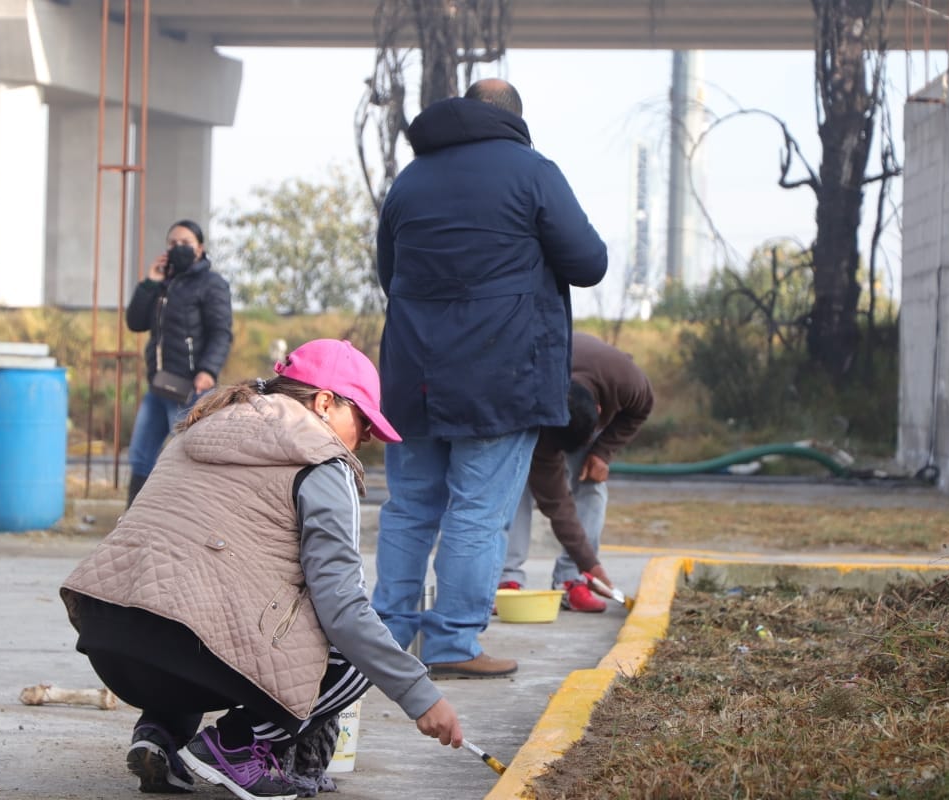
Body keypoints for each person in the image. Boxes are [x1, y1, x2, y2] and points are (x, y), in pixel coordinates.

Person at [60, 339, 463, 800]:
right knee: (352, 655)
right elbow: (343, 608)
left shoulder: (197, 427)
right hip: (186, 646)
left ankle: (162, 733)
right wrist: (420, 695)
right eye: (364, 418)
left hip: (109, 634)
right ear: (325, 403)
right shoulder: (322, 462)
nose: (368, 435)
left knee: (192, 599)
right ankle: (236, 746)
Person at [371, 78, 608, 679]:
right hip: (499, 376)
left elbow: (389, 272)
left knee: (408, 509)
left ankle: (386, 637)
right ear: (514, 119)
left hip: (412, 374)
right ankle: (451, 642)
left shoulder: (411, 178)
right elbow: (589, 263)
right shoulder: (532, 172)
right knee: (478, 512)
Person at [498, 332, 655, 612]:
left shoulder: (626, 379)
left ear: (600, 409)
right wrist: (591, 561)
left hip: (586, 399)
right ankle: (506, 580)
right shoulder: (539, 401)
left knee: (593, 485)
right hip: (531, 404)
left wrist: (601, 451)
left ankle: (573, 580)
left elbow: (641, 410)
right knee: (517, 481)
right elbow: (558, 505)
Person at [124, 218, 233, 506]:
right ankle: (134, 523)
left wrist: (208, 370)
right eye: (173, 243)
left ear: (200, 248)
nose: (179, 248)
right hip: (159, 385)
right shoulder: (163, 285)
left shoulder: (212, 284)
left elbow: (221, 333)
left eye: (186, 243)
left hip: (191, 387)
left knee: (187, 458)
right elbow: (135, 322)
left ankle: (189, 519)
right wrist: (150, 283)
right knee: (141, 456)